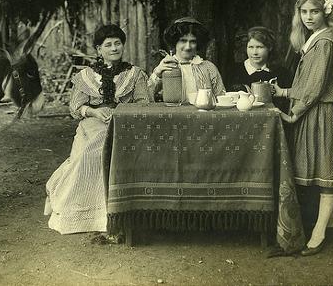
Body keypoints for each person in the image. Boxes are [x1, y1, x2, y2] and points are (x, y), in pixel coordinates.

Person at [44, 24, 152, 236]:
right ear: (98, 50)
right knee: (91, 150)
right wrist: (95, 112)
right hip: (92, 125)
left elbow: (143, 103)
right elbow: (75, 108)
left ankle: (117, 211)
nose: (114, 48)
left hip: (125, 125)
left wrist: (121, 111)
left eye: (118, 43)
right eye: (108, 45)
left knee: (114, 147)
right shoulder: (86, 76)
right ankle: (91, 214)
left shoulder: (135, 74)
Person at [273, 0, 333, 256]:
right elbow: (308, 84)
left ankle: (318, 235)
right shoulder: (318, 41)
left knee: (326, 171)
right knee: (325, 167)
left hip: (321, 112)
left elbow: (314, 88)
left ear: (325, 12)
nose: (308, 17)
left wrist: (294, 111)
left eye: (314, 11)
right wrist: (285, 92)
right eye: (304, 12)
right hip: (319, 109)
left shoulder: (325, 43)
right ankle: (331, 224)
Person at [149, 17, 225, 103]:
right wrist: (157, 73)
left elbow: (221, 97)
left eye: (192, 42)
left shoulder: (208, 67)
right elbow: (145, 97)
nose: (188, 47)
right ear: (175, 42)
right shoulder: (166, 67)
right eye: (183, 41)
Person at [227, 26, 292, 111]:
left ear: (270, 48)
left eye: (260, 47)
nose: (254, 53)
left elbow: (287, 105)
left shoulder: (282, 73)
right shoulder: (234, 72)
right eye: (251, 47)